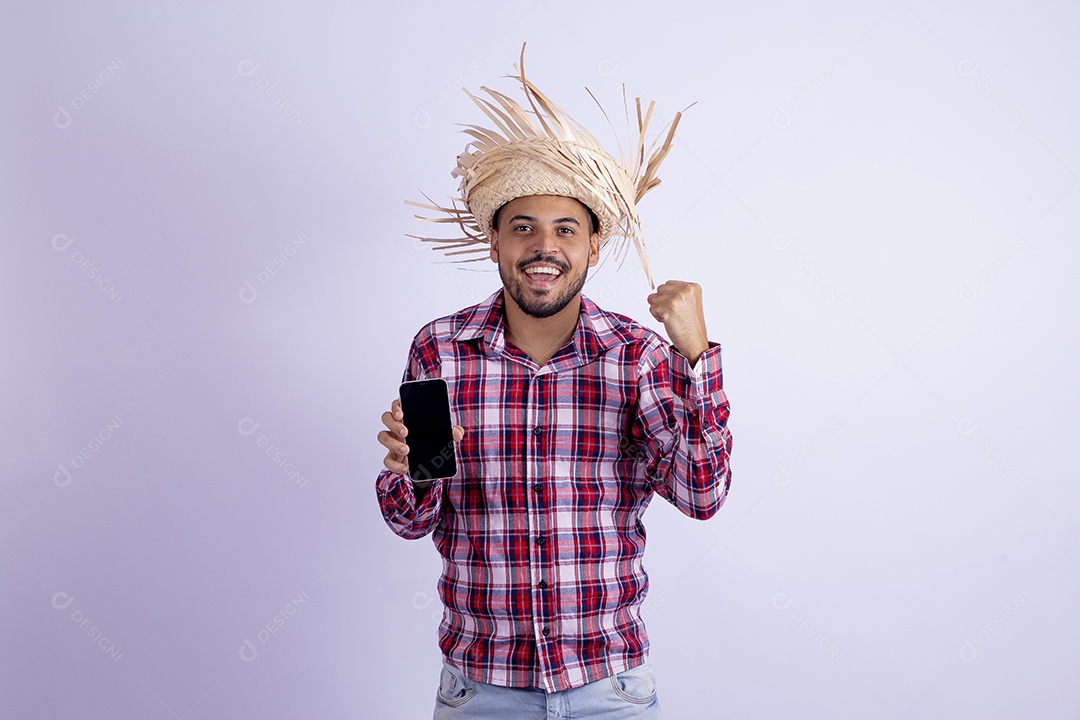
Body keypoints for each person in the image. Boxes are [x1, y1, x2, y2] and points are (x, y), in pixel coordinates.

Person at [375, 49, 733, 720]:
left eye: (566, 229)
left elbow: (702, 494)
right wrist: (415, 471)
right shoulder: (441, 351)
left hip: (610, 690)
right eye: (524, 228)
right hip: (482, 691)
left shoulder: (637, 356)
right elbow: (407, 519)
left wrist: (696, 355)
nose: (545, 246)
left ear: (594, 246)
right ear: (495, 243)